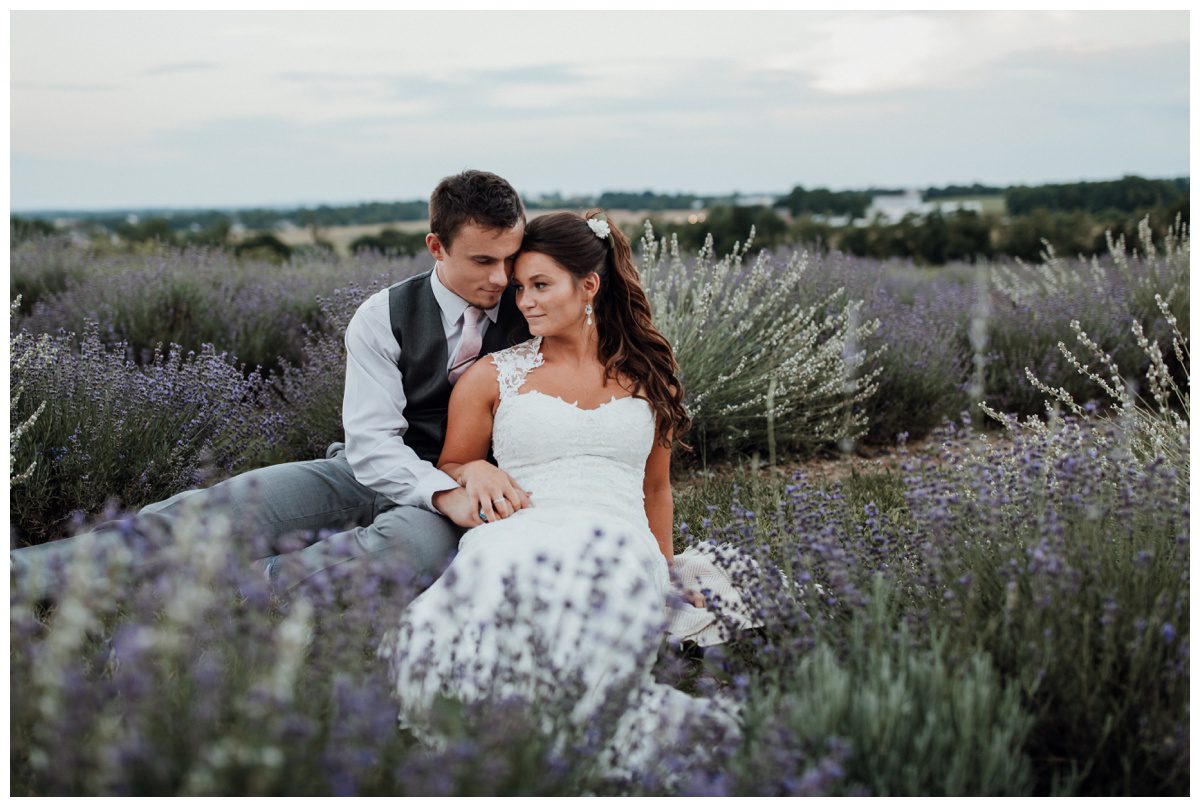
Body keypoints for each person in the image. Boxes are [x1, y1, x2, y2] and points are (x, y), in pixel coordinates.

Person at [10, 169, 532, 599]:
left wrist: (462, 492)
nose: (502, 278)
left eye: (511, 258)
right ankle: (24, 578)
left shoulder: (534, 311)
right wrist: (441, 493)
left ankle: (221, 605)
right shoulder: (382, 317)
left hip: (472, 497)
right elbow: (372, 447)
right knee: (218, 512)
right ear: (436, 247)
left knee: (405, 550)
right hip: (368, 471)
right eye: (483, 261)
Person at [378, 210, 739, 777]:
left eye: (541, 285)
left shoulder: (652, 375)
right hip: (520, 527)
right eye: (520, 288)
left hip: (618, 538)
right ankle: (487, 723)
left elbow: (655, 489)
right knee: (498, 576)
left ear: (588, 285)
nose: (524, 302)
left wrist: (666, 569)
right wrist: (475, 472)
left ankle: (558, 728)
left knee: (594, 587)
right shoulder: (491, 375)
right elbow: (450, 461)